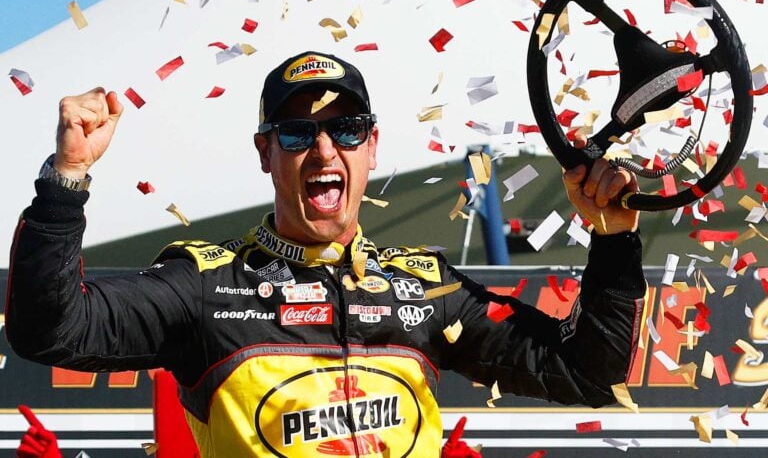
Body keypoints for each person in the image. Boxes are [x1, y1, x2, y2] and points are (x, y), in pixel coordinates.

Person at [5, 51, 646, 457]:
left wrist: (614, 240)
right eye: (296, 131)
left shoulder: (425, 290)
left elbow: (586, 371)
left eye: (344, 129)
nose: (323, 149)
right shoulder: (204, 284)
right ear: (265, 153)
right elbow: (50, 331)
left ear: (370, 148)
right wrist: (66, 181)